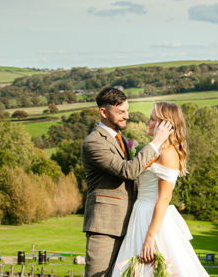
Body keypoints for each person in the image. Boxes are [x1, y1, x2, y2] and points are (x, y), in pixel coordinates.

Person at [81, 87, 173, 277]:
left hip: (131, 223)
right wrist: (156, 142)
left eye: (127, 110)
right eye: (121, 112)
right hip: (105, 226)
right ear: (103, 112)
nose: (127, 116)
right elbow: (128, 171)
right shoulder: (94, 142)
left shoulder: (120, 138)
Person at [112, 102, 210, 277]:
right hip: (140, 213)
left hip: (151, 217)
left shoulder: (167, 153)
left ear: (165, 124)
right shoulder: (156, 150)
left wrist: (150, 237)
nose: (148, 122)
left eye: (152, 119)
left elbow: (164, 198)